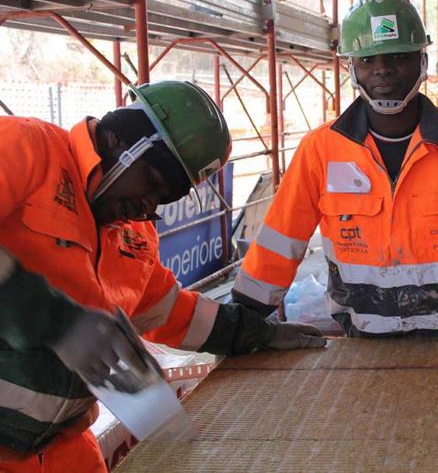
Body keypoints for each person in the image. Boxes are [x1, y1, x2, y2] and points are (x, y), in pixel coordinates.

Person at [0, 80, 326, 473]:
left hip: (62, 450)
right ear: (119, 139)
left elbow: (170, 313)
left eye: (166, 197)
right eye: (153, 181)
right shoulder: (25, 148)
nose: (149, 205)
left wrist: (257, 333)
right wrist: (57, 322)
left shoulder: (134, 236)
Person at [233, 0, 438, 417]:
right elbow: (278, 248)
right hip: (363, 346)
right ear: (351, 67)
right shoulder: (321, 150)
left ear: (422, 62)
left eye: (398, 57)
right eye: (368, 60)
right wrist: (238, 328)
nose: (383, 70)